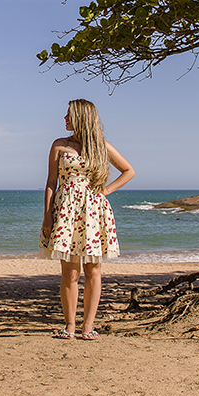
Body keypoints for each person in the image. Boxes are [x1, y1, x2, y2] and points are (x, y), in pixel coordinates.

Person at [40, 99, 134, 340]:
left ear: (82, 118)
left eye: (69, 114)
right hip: (66, 211)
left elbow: (129, 171)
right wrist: (48, 215)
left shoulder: (101, 147)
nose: (65, 118)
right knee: (69, 271)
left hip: (93, 212)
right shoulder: (59, 145)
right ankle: (70, 325)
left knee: (93, 269)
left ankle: (88, 326)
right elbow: (51, 182)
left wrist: (105, 191)